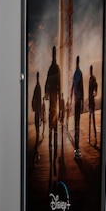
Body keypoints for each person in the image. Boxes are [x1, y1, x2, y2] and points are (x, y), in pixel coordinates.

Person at [44, 46, 61, 175]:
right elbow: (56, 84)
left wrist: (46, 94)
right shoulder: (55, 69)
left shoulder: (51, 69)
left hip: (52, 99)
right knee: (53, 119)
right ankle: (53, 141)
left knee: (52, 118)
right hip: (54, 98)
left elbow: (47, 84)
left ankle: (52, 141)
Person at [70, 55, 84, 158]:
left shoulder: (76, 73)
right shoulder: (78, 73)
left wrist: (71, 97)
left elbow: (74, 86)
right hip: (77, 100)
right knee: (77, 121)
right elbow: (79, 87)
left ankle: (76, 141)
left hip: (76, 100)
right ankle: (76, 141)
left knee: (76, 121)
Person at [31, 72, 43, 158]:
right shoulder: (38, 87)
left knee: (36, 122)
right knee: (37, 122)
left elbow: (34, 98)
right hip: (37, 109)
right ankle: (38, 135)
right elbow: (36, 98)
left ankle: (38, 135)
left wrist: (33, 105)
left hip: (37, 109)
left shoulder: (37, 87)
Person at [88, 64, 98, 147]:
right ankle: (90, 137)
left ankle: (95, 137)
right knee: (90, 119)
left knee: (93, 120)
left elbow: (96, 86)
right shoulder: (90, 79)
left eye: (91, 70)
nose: (90, 71)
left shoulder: (93, 79)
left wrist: (95, 93)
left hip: (92, 102)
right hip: (90, 102)